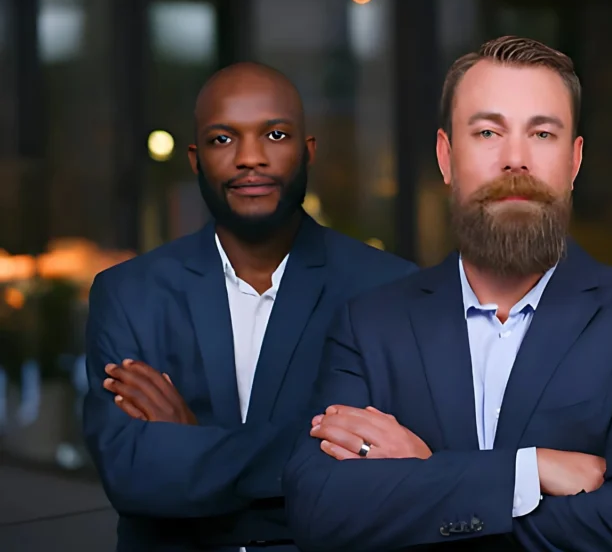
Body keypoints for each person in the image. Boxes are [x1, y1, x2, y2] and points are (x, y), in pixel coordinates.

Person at [282, 35, 612, 551]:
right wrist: (530, 471)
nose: (515, 160)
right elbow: (319, 509)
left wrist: (426, 476)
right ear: (445, 156)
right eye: (487, 132)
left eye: (542, 134)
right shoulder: (369, 326)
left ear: (574, 162)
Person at [82, 62, 417, 551]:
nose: (250, 158)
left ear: (308, 151)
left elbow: (381, 482)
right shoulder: (129, 293)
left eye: (275, 134)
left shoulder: (389, 290)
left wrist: (191, 444)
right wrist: (306, 456)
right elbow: (133, 477)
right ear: (196, 159)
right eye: (223, 139)